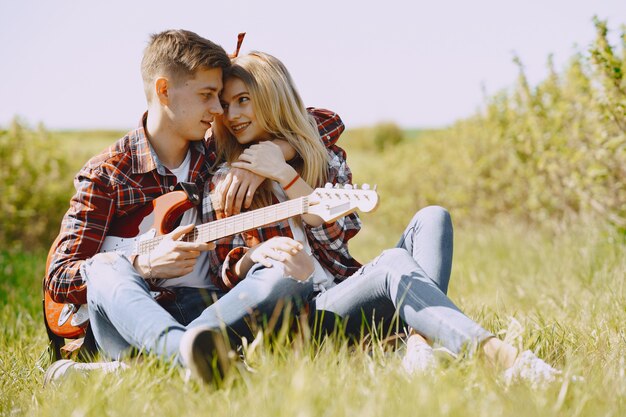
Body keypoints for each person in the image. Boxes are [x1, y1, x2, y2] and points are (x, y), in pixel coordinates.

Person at [190, 50, 562, 387]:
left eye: (244, 101)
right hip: (305, 319)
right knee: (392, 262)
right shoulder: (225, 180)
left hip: (345, 296)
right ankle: (504, 360)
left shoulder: (323, 158)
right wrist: (261, 253)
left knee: (433, 216)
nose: (233, 115)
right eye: (227, 105)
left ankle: (419, 345)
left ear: (273, 99)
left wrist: (286, 174)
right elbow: (225, 268)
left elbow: (338, 236)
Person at [43, 30, 343, 382]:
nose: (219, 110)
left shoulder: (214, 153)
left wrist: (275, 151)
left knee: (287, 278)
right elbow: (59, 277)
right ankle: (187, 354)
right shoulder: (109, 174)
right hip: (129, 316)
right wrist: (142, 264)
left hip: (209, 308)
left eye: (220, 97)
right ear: (164, 90)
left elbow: (323, 120)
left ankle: (148, 370)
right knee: (106, 267)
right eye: (207, 96)